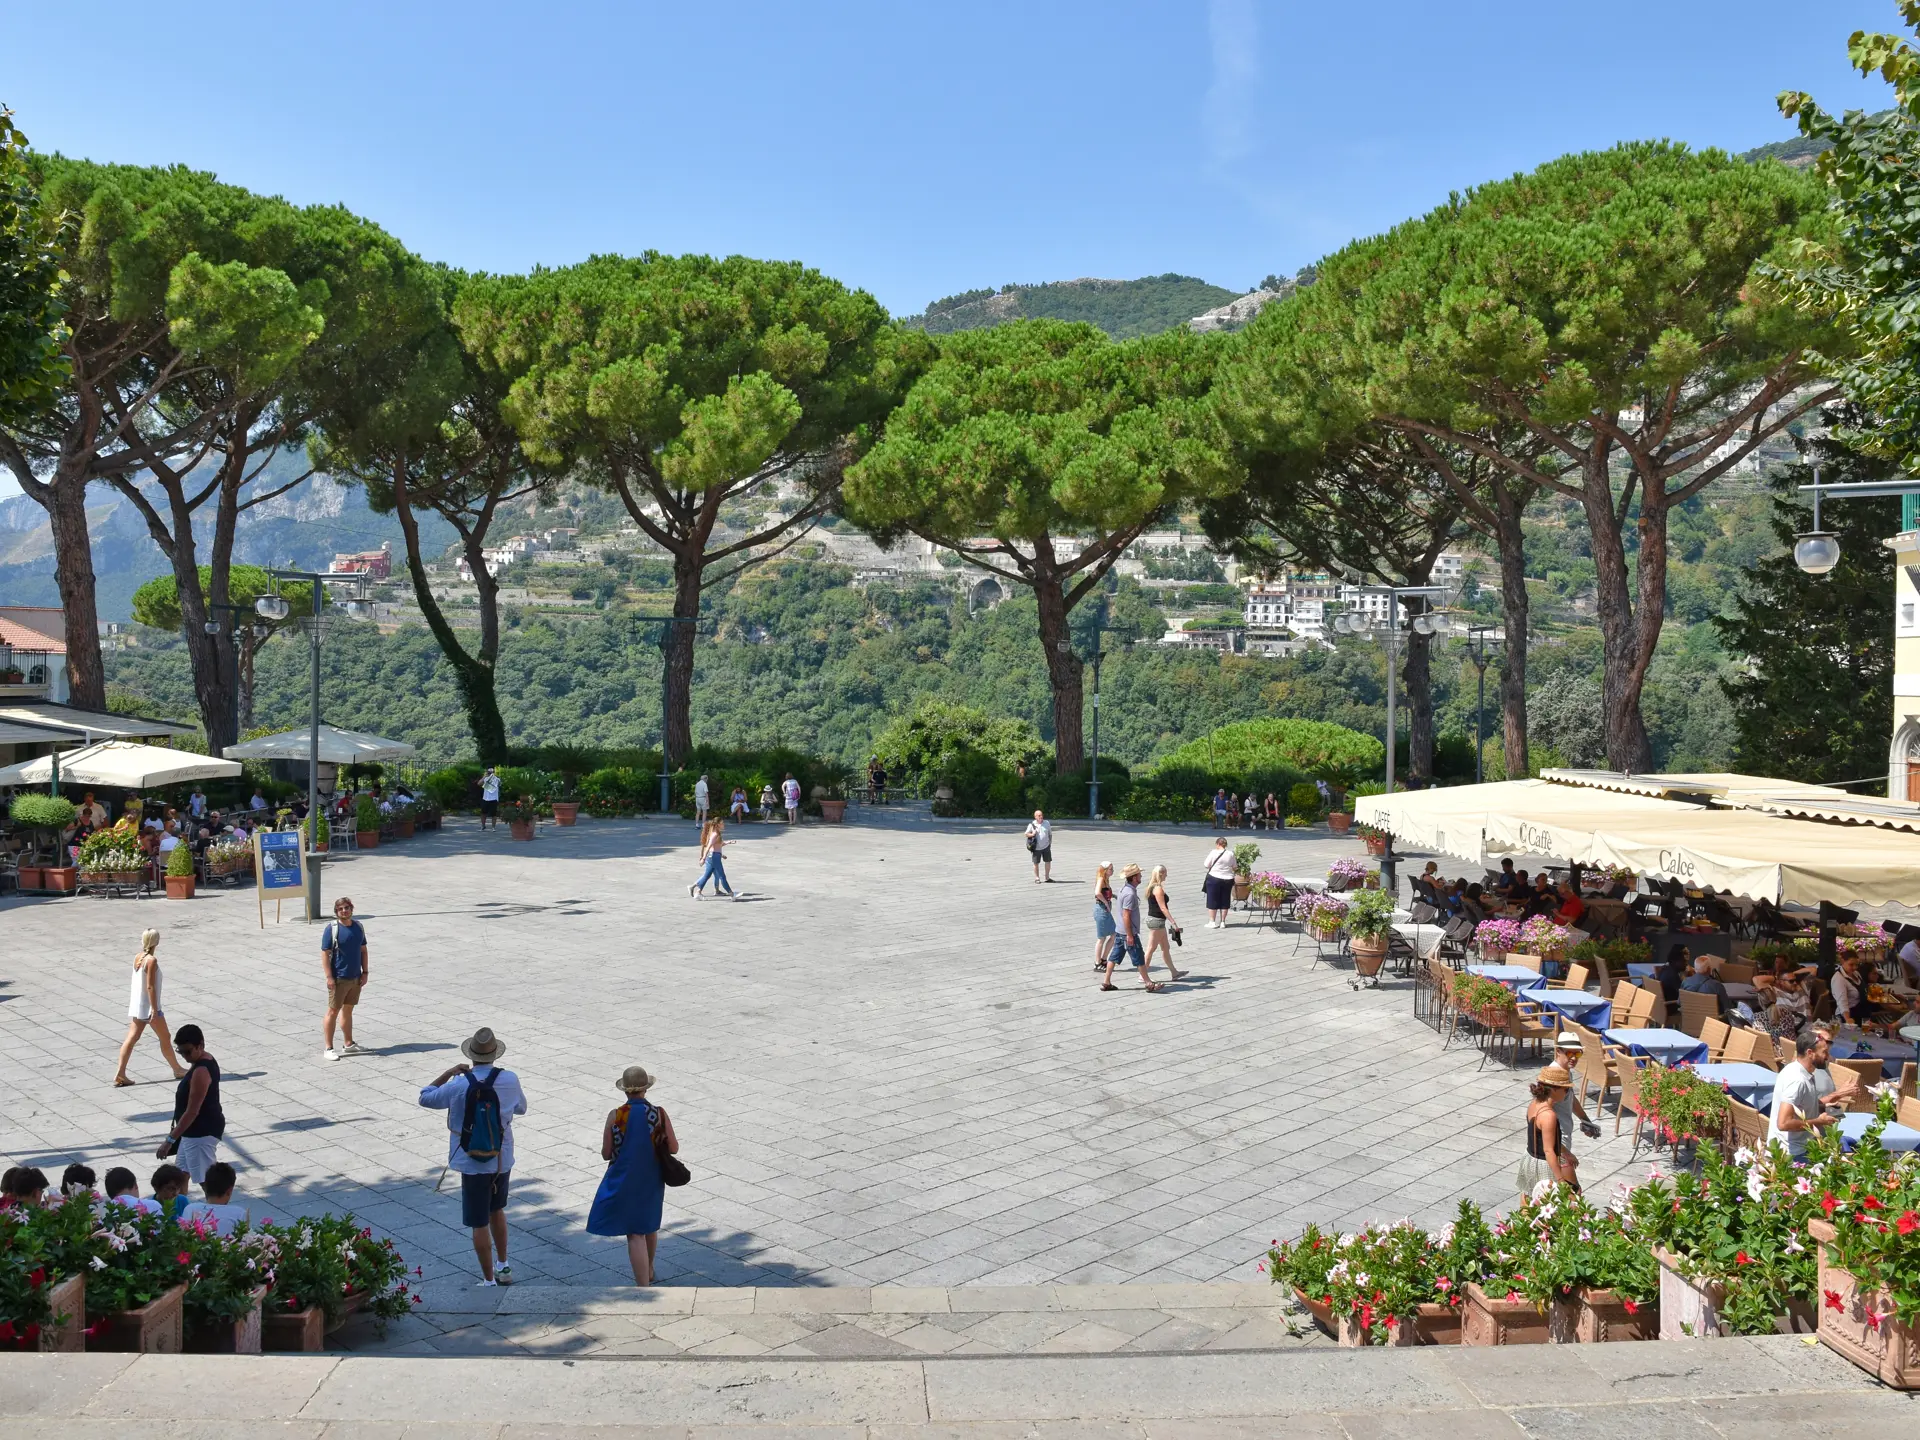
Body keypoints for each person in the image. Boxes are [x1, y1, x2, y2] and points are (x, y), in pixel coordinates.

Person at [420, 1028, 527, 1287]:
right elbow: (522, 1108)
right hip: (501, 1157)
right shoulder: (509, 1079)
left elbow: (425, 1097)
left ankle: (488, 1280)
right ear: (494, 1054)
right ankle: (503, 1266)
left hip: (470, 1160)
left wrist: (447, 1073)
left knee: (478, 1221)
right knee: (497, 1210)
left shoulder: (458, 1084)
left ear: (471, 1055)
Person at [587, 1065, 679, 1285]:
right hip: (651, 1176)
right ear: (645, 1089)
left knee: (634, 1233)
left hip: (624, 1177)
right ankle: (649, 1269)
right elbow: (674, 1148)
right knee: (649, 1224)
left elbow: (606, 1153)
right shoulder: (659, 1113)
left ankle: (643, 1286)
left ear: (625, 1090)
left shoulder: (616, 1116)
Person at [114, 928, 188, 1088]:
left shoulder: (138, 957)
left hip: (138, 1007)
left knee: (131, 1038)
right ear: (156, 942)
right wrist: (155, 1010)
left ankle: (120, 1073)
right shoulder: (151, 961)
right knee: (165, 1037)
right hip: (149, 1008)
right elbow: (150, 987)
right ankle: (177, 1069)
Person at [162, 1025, 225, 1183]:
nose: (184, 1056)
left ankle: (217, 1208)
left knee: (206, 1181)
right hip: (192, 1132)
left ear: (200, 1045)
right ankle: (180, 1207)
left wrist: (170, 1140)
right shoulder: (203, 1061)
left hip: (200, 1133)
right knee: (181, 1175)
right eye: (180, 1051)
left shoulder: (201, 1071)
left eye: (187, 1051)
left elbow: (192, 1111)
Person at [1769, 1031, 1840, 1160]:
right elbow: (1783, 1123)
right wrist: (1819, 1122)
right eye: (1824, 1052)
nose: (1828, 1056)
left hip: (1798, 1148)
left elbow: (1799, 1105)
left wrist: (1822, 1103)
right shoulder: (1798, 1080)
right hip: (1793, 1155)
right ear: (1809, 1053)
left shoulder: (1794, 1069)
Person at [321, 897, 371, 1061]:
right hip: (339, 978)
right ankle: (328, 1048)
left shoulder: (358, 927)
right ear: (336, 912)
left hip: (355, 977)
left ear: (352, 909)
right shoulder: (332, 929)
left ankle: (348, 1044)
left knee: (348, 1010)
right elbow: (325, 953)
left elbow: (363, 950)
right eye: (341, 909)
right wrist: (329, 977)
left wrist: (365, 972)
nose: (344, 911)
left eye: (347, 908)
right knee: (333, 1011)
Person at [1519, 1065, 1580, 1198]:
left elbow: (1544, 1138)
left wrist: (1566, 1152)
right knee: (1570, 1199)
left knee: (1531, 1199)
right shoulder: (1549, 1115)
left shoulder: (1534, 1104)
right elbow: (1548, 1150)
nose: (1568, 1092)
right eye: (1566, 1089)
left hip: (1530, 1159)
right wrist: (1561, 1180)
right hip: (1544, 1165)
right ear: (1554, 1089)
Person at [1100, 863, 1162, 992]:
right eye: (1139, 874)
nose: (1141, 876)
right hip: (1128, 932)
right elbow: (1126, 915)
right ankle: (1148, 984)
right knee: (1139, 957)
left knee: (1114, 957)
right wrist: (1129, 935)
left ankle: (1106, 982)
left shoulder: (1124, 889)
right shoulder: (1130, 894)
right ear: (1134, 878)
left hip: (1119, 931)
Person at [181, 1162, 251, 1236]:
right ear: (229, 1191)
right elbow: (245, 1242)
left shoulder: (190, 1209)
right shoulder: (240, 1213)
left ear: (205, 1187)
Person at [1142, 864, 1186, 983]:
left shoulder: (1152, 886)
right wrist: (1173, 922)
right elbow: (1163, 908)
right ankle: (1142, 975)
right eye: (1165, 872)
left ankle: (1174, 973)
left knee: (1165, 947)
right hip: (1156, 921)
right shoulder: (1158, 888)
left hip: (1156, 920)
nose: (1167, 875)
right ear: (1161, 873)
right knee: (1151, 948)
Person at [689, 820, 736, 899]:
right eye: (722, 823)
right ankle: (731, 894)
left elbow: (718, 845)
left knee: (707, 876)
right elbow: (708, 846)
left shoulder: (717, 834)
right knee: (722, 876)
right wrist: (703, 858)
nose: (723, 825)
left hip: (714, 856)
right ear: (717, 825)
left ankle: (698, 892)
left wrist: (729, 842)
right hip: (714, 857)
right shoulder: (715, 834)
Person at [1202, 837, 1236, 928]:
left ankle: (1212, 922)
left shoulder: (1213, 852)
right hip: (1228, 879)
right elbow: (1234, 866)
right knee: (1225, 899)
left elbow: (1206, 865)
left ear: (1218, 844)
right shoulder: (1230, 853)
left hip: (1214, 878)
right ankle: (1223, 922)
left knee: (1213, 899)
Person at [1831, 954, 1872, 1027]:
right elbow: (1842, 1001)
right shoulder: (1838, 979)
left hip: (1862, 1012)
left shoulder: (1856, 973)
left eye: (1856, 965)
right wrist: (1848, 1019)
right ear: (1842, 961)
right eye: (1851, 964)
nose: (1855, 967)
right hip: (1849, 1014)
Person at [1091, 862, 1118, 971]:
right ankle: (1097, 963)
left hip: (1105, 910)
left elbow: (1104, 892)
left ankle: (1103, 959)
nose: (1112, 871)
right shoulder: (1101, 879)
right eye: (1110, 869)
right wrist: (1106, 903)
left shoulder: (1106, 879)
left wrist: (1114, 896)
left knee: (1113, 934)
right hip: (1101, 909)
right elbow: (1097, 893)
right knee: (1101, 938)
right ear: (1105, 870)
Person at [1024, 810, 1053, 884]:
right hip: (1036, 847)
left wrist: (1050, 843)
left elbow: (1050, 834)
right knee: (1036, 863)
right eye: (1039, 815)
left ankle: (1047, 877)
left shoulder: (1047, 823)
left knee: (1048, 861)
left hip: (1046, 846)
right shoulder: (1032, 824)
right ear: (1035, 817)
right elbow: (1026, 834)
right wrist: (1032, 834)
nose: (1041, 817)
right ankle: (1037, 878)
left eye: (1042, 815)